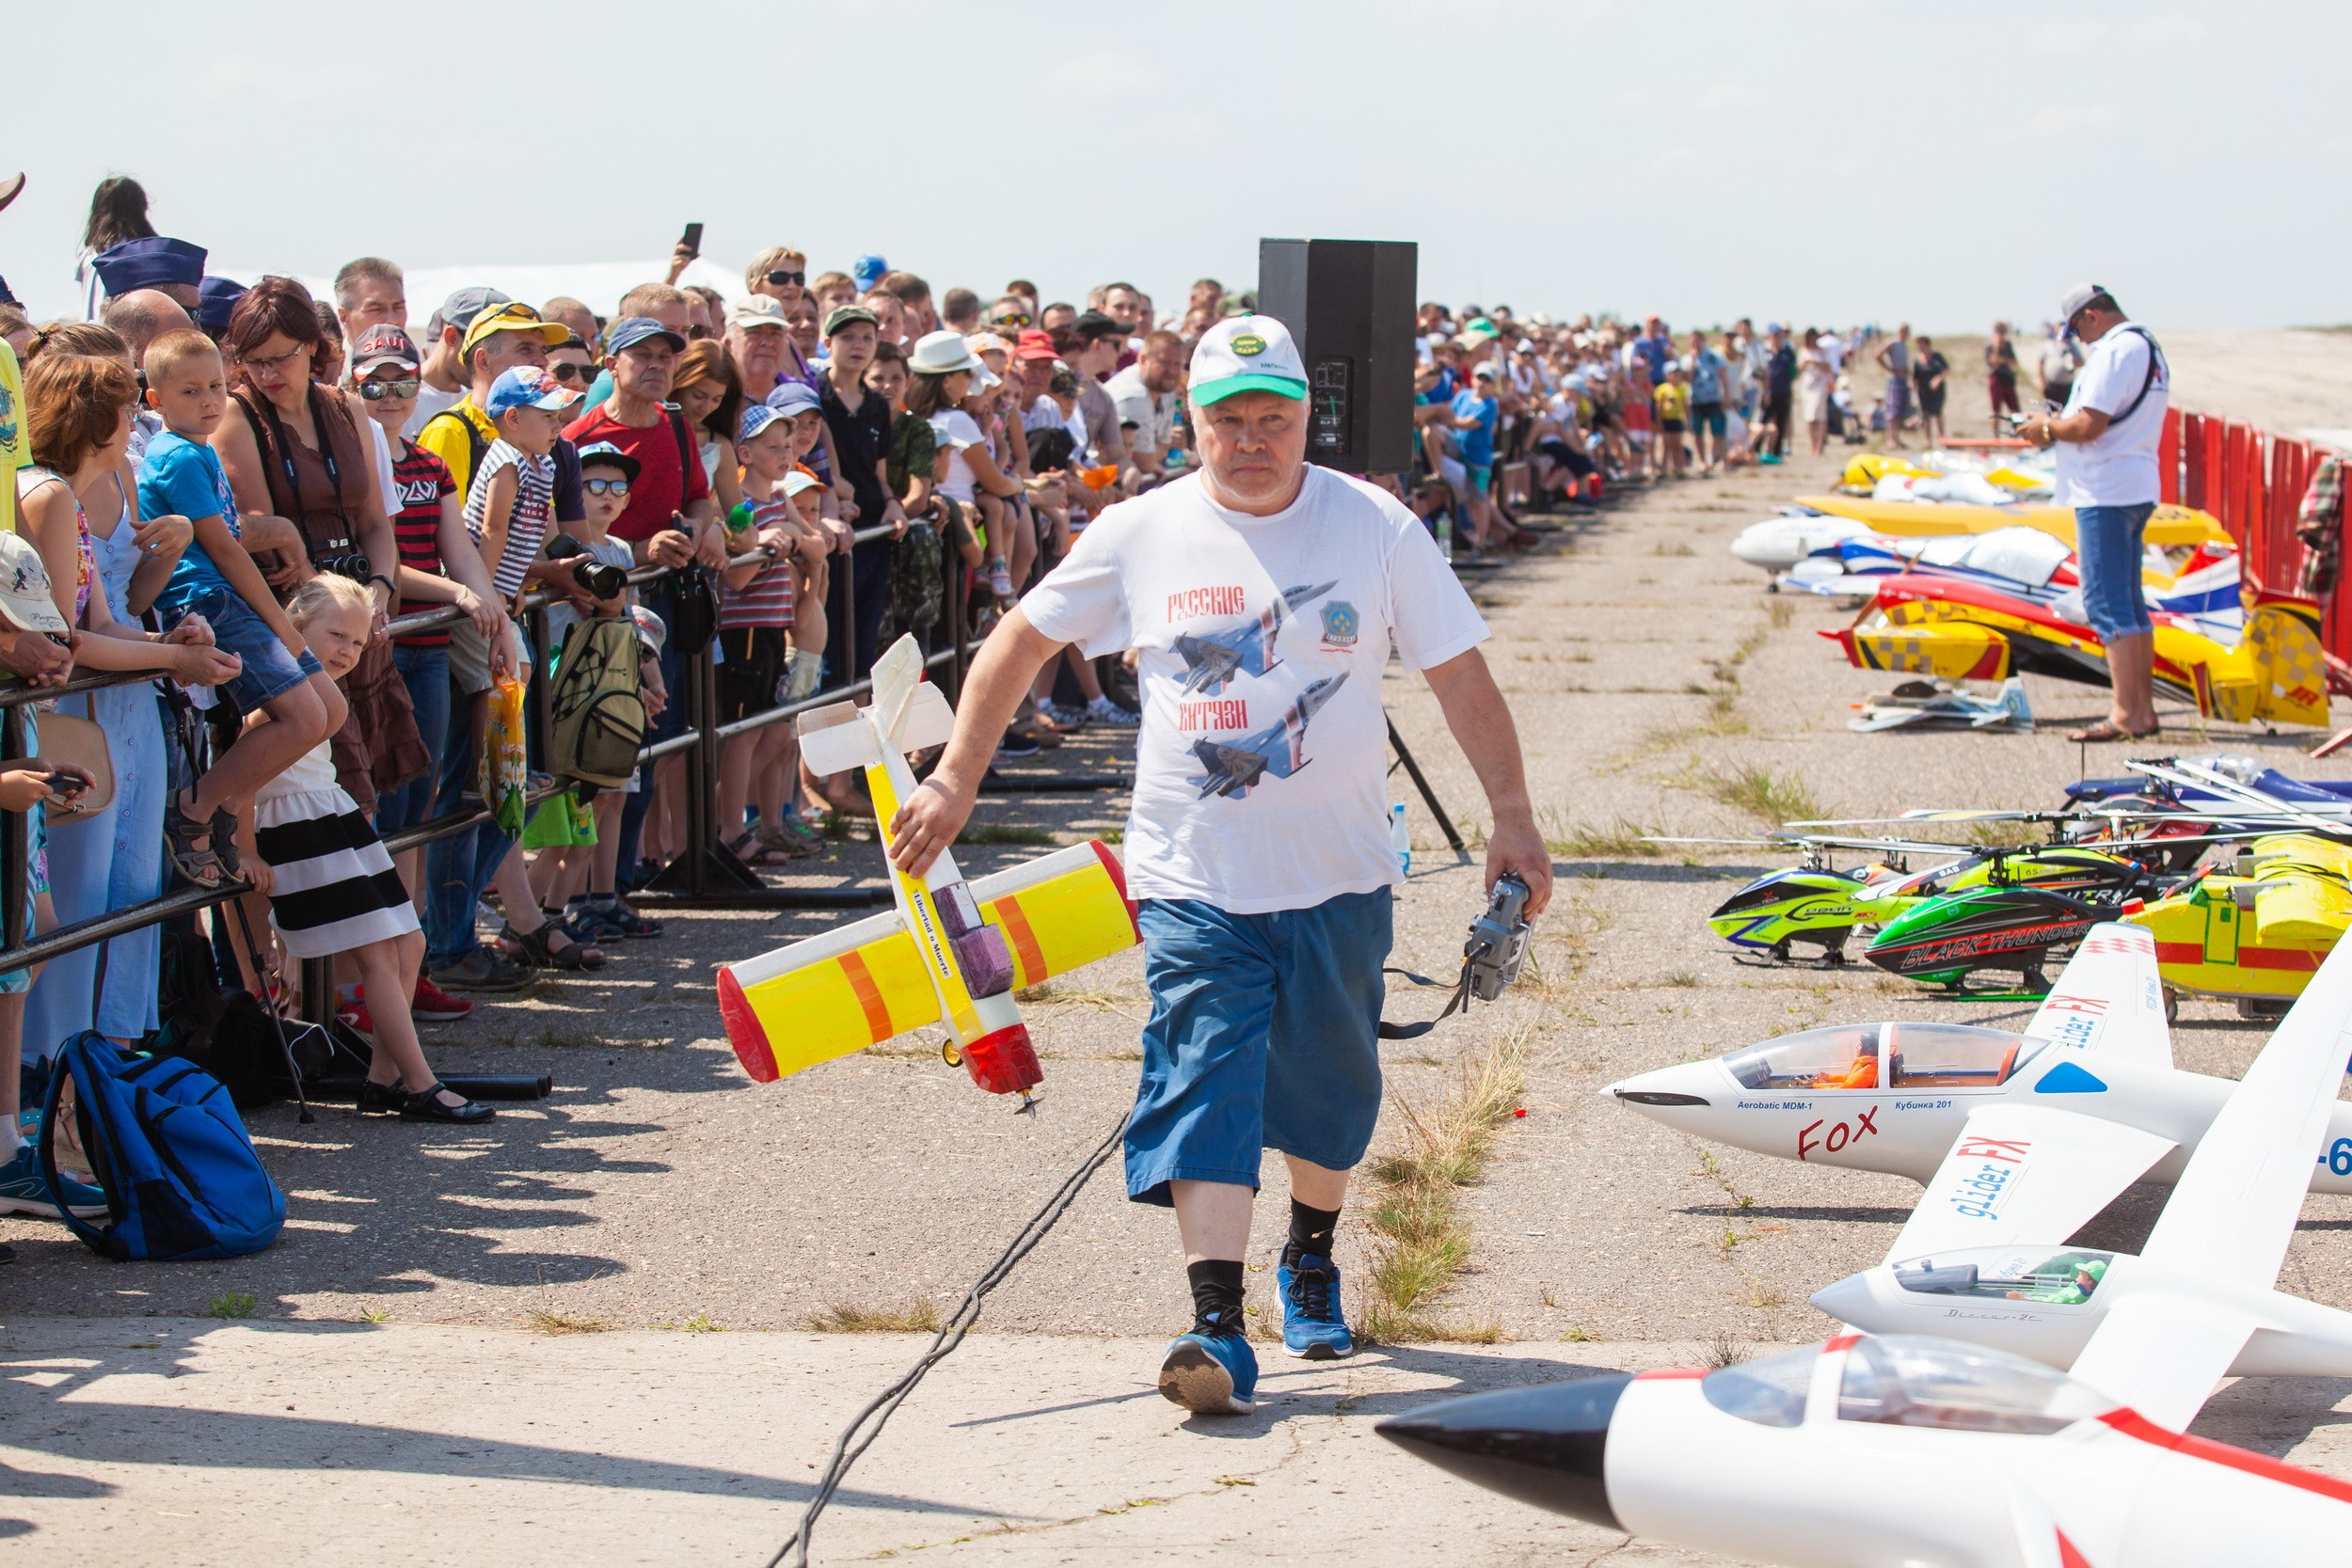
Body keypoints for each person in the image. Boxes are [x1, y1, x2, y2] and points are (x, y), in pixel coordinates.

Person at [882, 314, 1551, 1416]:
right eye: (1226, 421)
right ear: (1191, 421)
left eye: (1272, 421)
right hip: (1191, 873)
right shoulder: (1140, 530)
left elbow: (1459, 676)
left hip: (1337, 869)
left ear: (1305, 420)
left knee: (1329, 1088)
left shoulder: (1374, 525)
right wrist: (956, 777)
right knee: (1203, 1076)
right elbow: (1019, 640)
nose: (1250, 441)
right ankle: (1213, 1323)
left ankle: (1312, 1251)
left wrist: (1513, 817)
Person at [17, 353, 235, 1061]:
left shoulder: (87, 489)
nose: (136, 420)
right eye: (124, 409)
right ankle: (55, 1073)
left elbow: (113, 617)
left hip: (120, 706)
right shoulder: (49, 496)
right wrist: (175, 657)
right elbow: (65, 637)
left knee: (127, 893)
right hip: (75, 721)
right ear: (95, 420)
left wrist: (169, 637)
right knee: (77, 905)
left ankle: (99, 1073)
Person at [241, 575, 492, 1124]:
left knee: (412, 943)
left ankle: (383, 1077)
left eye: (358, 643)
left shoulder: (317, 685)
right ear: (296, 623)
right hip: (296, 826)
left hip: (331, 815)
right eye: (336, 636)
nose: (348, 652)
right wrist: (245, 849)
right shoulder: (271, 688)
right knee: (381, 953)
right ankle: (420, 1083)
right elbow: (241, 774)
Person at [136, 328, 342, 888]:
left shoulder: (196, 450)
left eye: (217, 387)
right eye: (189, 392)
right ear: (154, 401)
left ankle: (226, 800)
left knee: (331, 710)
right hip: (209, 599)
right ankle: (196, 807)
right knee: (304, 716)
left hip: (229, 595)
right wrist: (285, 626)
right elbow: (225, 550)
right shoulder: (176, 457)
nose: (207, 401)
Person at [2020, 285, 2169, 743]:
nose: (2079, 341)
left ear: (2092, 316)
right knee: (2128, 603)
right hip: (2131, 483)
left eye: (2078, 330)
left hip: (2107, 489)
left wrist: (2042, 428)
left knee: (2106, 603)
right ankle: (2141, 711)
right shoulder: (2145, 345)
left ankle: (2127, 714)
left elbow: (2088, 425)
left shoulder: (2115, 350)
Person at [817, 304, 910, 675]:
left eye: (867, 338)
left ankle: (857, 717)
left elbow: (879, 471)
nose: (858, 345)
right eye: (848, 337)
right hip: (833, 531)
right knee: (830, 639)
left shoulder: (876, 403)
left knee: (864, 637)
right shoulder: (815, 395)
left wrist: (893, 504)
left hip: (873, 532)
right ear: (828, 343)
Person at [1104, 329, 1186, 488]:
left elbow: (1162, 444)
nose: (1172, 371)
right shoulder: (1133, 395)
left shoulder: (1166, 387)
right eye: (1164, 363)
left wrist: (1158, 450)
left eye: (1177, 364)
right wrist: (1159, 451)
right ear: (1143, 360)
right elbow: (1144, 460)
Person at [1683, 328, 1728, 473]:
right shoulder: (1686, 359)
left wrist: (1725, 395)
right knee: (1698, 433)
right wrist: (1693, 360)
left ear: (1703, 340)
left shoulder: (1714, 357)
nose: (1695, 343)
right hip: (1696, 401)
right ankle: (1702, 461)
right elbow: (1687, 379)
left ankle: (1723, 461)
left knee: (1718, 432)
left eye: (1698, 340)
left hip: (1713, 399)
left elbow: (1723, 376)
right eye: (1692, 340)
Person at [1875, 325, 1913, 449]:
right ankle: (1891, 439)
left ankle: (1896, 438)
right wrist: (1889, 369)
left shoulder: (1903, 345)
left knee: (1900, 411)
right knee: (1893, 410)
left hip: (1903, 379)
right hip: (1895, 379)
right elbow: (1877, 354)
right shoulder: (1893, 342)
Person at [1797, 328, 1832, 457]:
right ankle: (1812, 444)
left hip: (1820, 385)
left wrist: (1815, 363)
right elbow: (1798, 369)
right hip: (1807, 386)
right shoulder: (1803, 351)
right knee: (1810, 416)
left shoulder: (1822, 352)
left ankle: (1819, 445)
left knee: (1820, 416)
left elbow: (1828, 367)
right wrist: (1804, 363)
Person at [1912, 334, 1949, 448]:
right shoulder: (1917, 360)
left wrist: (1938, 379)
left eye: (1921, 344)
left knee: (1938, 413)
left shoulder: (1937, 357)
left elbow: (1946, 370)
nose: (1920, 346)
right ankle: (1928, 441)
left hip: (1937, 390)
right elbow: (1915, 377)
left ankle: (1942, 438)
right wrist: (1913, 386)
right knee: (1925, 416)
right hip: (1923, 391)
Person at [1985, 321, 2022, 434]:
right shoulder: (1990, 345)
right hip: (1996, 378)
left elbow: (2014, 362)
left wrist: (2004, 359)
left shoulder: (2008, 345)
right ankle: (1996, 436)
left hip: (2008, 378)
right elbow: (1991, 362)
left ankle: (2015, 433)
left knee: (2014, 409)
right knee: (1996, 410)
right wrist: (1996, 347)